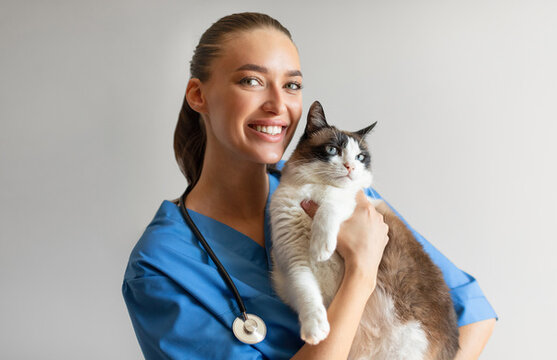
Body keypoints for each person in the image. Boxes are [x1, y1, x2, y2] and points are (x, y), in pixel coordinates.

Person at [122, 12, 497, 359]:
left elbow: (473, 315)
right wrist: (361, 272)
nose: (277, 104)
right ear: (198, 95)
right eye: (251, 80)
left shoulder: (332, 185)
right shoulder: (161, 266)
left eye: (292, 85)